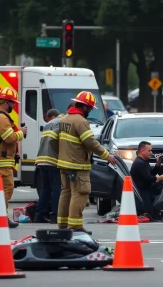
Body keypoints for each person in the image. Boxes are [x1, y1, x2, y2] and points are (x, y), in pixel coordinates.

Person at [53, 91, 116, 235]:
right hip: (77, 166)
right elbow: (90, 142)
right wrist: (107, 155)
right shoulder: (81, 121)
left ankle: (62, 225)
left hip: (64, 164)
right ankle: (75, 227)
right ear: (85, 107)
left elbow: (54, 140)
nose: (89, 112)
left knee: (66, 193)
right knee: (80, 194)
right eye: (90, 108)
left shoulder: (64, 119)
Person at [0, 87, 27, 228]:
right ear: (6, 102)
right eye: (13, 103)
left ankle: (1, 216)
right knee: (6, 189)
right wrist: (21, 133)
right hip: (1, 163)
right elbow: (9, 138)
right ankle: (0, 217)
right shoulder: (2, 118)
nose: (14, 106)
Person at [34, 108, 63, 224]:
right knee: (57, 188)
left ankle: (39, 215)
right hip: (53, 160)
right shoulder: (62, 122)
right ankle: (55, 216)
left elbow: (42, 142)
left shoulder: (48, 124)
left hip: (41, 160)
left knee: (45, 189)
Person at [130, 141, 163, 220]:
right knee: (149, 213)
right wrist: (160, 178)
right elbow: (149, 178)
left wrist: (157, 164)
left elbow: (151, 174)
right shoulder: (139, 163)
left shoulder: (143, 161)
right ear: (142, 151)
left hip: (147, 188)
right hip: (142, 192)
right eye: (149, 151)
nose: (151, 153)